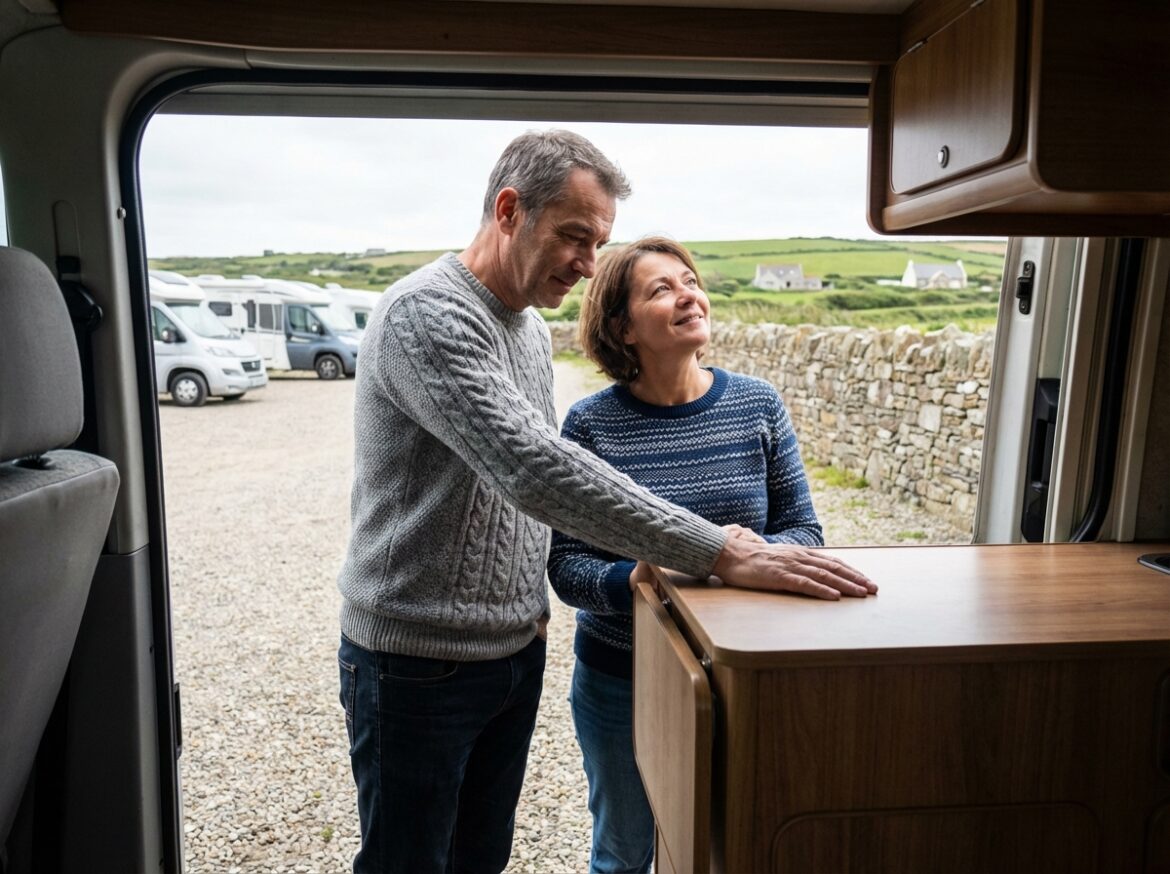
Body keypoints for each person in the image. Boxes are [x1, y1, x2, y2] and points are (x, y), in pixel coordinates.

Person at [336, 130, 875, 874]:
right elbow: (534, 470)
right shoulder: (426, 315)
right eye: (575, 236)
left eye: (600, 243)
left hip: (511, 651)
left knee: (477, 858)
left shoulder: (522, 327)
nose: (589, 264)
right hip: (420, 662)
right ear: (507, 209)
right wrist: (719, 550)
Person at [548, 236, 828, 873]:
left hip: (740, 673)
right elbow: (566, 569)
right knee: (623, 854)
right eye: (661, 289)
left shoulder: (757, 404)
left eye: (690, 280)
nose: (688, 296)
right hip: (622, 676)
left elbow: (805, 534)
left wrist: (730, 556)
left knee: (727, 848)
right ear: (621, 327)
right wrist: (641, 578)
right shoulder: (590, 425)